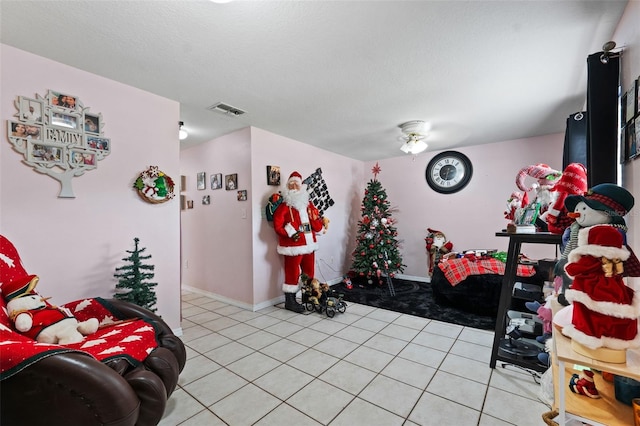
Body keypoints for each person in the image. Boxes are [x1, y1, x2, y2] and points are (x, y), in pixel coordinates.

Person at [272, 171, 325, 312]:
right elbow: (277, 226)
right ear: (287, 187)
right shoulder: (284, 206)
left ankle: (309, 297)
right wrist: (290, 233)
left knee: (309, 272)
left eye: (297, 183)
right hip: (293, 246)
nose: (294, 186)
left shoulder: (309, 205)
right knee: (292, 272)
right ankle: (290, 301)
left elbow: (318, 226)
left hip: (309, 244)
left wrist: (315, 219)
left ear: (301, 186)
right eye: (291, 184)